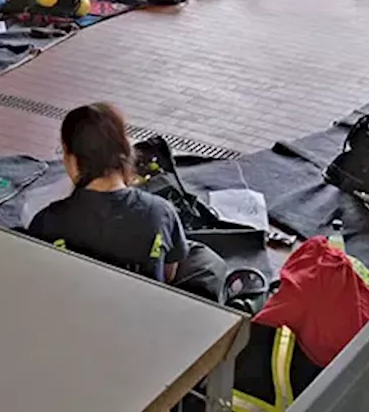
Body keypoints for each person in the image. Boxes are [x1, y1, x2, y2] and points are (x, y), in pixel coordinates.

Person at [26, 103, 228, 301]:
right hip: (142, 321)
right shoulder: (160, 212)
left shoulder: (46, 222)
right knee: (205, 261)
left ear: (73, 160)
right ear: (125, 152)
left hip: (71, 320)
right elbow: (168, 274)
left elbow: (39, 282)